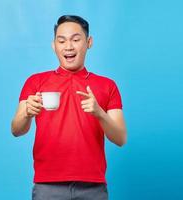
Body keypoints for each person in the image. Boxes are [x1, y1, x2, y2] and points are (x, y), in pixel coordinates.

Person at [11, 15, 127, 200]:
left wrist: (99, 113)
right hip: (47, 185)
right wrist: (26, 113)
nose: (69, 46)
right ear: (54, 45)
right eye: (62, 40)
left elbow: (120, 138)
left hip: (93, 187)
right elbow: (16, 130)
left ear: (89, 42)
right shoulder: (35, 82)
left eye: (75, 39)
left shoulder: (107, 85)